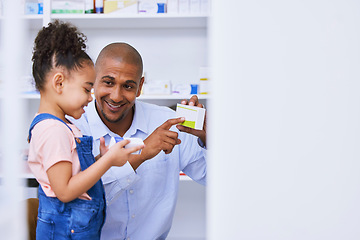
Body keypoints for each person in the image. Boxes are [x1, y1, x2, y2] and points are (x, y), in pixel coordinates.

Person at [70, 42, 207, 240]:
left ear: (140, 86)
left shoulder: (166, 122)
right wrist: (142, 154)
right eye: (108, 82)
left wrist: (209, 138)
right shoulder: (75, 128)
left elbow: (218, 179)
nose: (116, 96)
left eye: (128, 86)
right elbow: (81, 203)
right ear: (93, 80)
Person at [27, 21, 144, 240]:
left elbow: (71, 172)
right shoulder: (53, 130)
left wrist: (99, 157)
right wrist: (106, 162)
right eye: (86, 89)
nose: (91, 97)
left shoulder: (62, 126)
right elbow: (65, 191)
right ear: (59, 83)